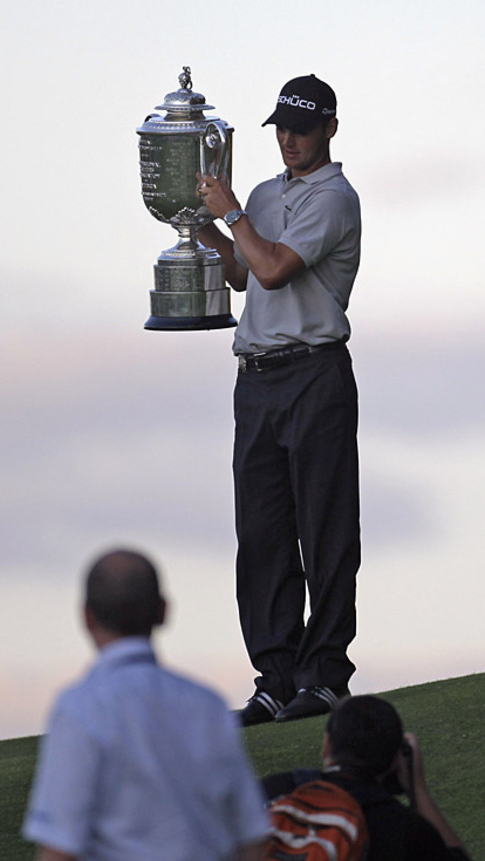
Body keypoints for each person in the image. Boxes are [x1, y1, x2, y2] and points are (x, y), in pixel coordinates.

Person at [198, 73, 363, 725]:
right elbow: (244, 273)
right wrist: (200, 226)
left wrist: (232, 212)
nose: (290, 140)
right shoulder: (266, 195)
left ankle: (324, 675)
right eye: (283, 129)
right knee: (262, 534)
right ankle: (276, 675)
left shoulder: (336, 198)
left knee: (323, 529)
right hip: (258, 379)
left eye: (302, 128)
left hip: (315, 374)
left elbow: (272, 267)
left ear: (329, 129)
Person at [23, 549, 269, 861]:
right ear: (163, 611)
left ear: (86, 617)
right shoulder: (208, 706)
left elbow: (61, 849)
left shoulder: (80, 708)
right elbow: (251, 837)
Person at [261, 695, 480, 861]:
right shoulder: (403, 829)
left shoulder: (274, 791)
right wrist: (418, 790)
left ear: (327, 745)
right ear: (396, 761)